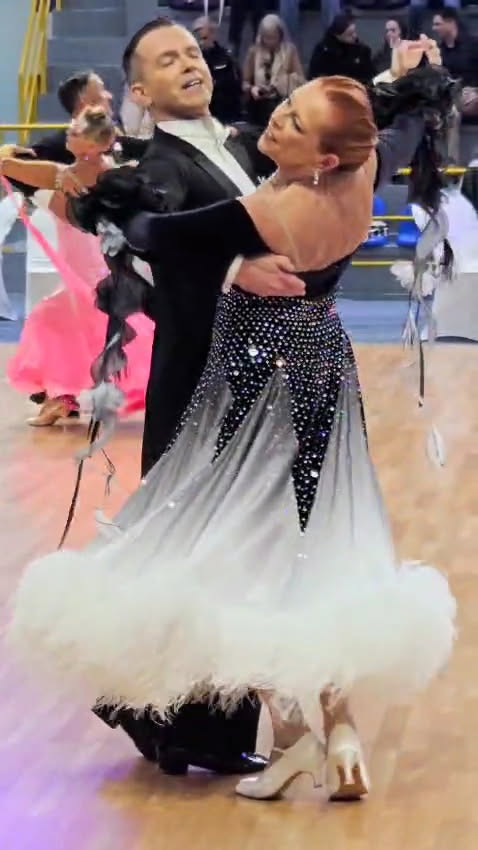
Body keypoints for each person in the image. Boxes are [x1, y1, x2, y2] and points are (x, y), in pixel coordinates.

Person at [8, 49, 457, 803]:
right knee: (310, 543)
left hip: (253, 382)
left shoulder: (272, 208)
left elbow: (154, 234)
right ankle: (340, 731)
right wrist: (393, 82)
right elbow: (369, 121)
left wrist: (82, 195)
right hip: (322, 365)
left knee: (242, 553)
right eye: (288, 105)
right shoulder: (357, 168)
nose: (276, 118)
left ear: (321, 158)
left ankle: (292, 735)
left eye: (294, 121)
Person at [72, 18, 303, 776]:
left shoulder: (246, 144)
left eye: (193, 54)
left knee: (236, 546)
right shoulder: (158, 164)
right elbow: (148, 233)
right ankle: (171, 718)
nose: (188, 64)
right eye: (167, 60)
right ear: (141, 92)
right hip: (198, 378)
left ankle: (198, 727)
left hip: (258, 373)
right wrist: (235, 270)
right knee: (194, 546)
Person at [1, 107, 154, 424]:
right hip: (91, 275)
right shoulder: (89, 173)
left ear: (94, 144)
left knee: (54, 324)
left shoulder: (79, 177)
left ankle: (62, 397)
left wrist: (12, 158)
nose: (66, 135)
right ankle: (61, 397)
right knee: (63, 326)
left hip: (95, 277)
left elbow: (16, 170)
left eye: (74, 132)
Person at [243, 14, 304, 128]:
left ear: (280, 35)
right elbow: (244, 83)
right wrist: (252, 89)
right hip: (258, 106)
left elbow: (301, 80)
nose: (269, 41)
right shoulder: (253, 51)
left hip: (282, 104)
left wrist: (280, 84)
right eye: (266, 38)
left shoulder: (290, 50)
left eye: (273, 37)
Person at [192, 16, 243, 125]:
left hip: (223, 113)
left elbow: (235, 86)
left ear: (213, 35)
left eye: (204, 38)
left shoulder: (226, 58)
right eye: (197, 39)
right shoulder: (190, 60)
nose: (201, 43)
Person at [308, 13, 375, 86]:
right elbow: (313, 75)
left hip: (355, 87)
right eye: (349, 34)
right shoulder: (323, 50)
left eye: (354, 32)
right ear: (337, 36)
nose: (354, 36)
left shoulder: (362, 50)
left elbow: (370, 75)